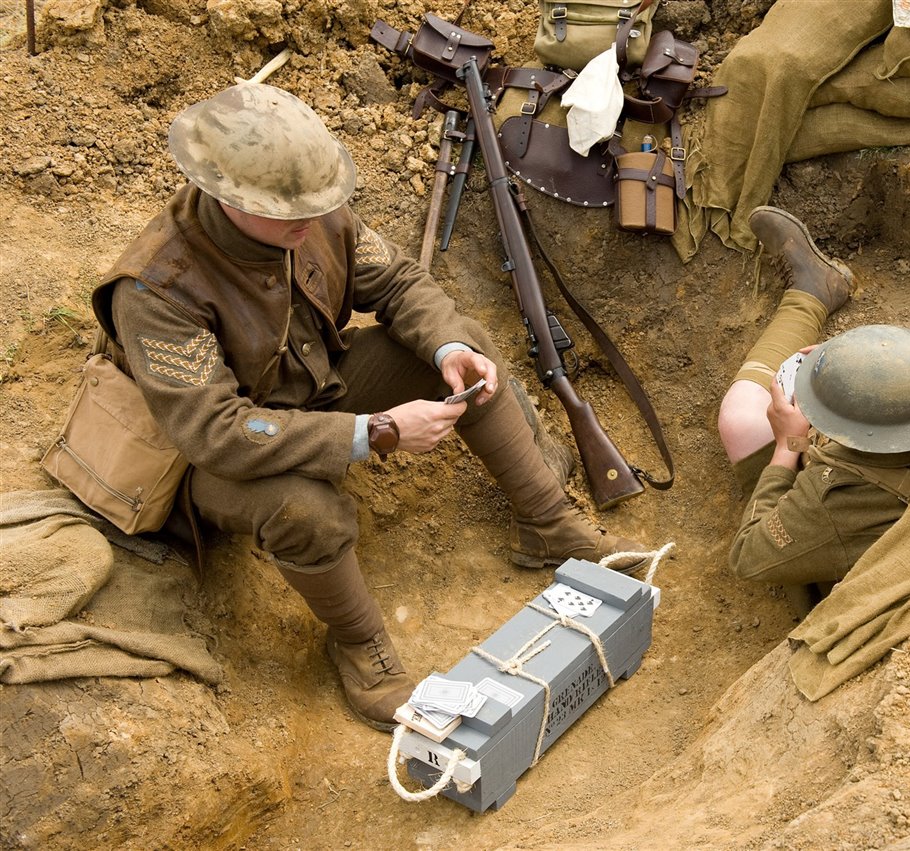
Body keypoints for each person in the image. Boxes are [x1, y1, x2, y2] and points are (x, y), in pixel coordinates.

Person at [89, 83, 648, 731]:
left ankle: (547, 523)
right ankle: (358, 645)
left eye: (317, 201)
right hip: (207, 456)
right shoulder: (156, 288)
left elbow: (399, 281)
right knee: (306, 510)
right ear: (227, 197)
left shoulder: (310, 213)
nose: (311, 219)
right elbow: (216, 433)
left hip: (307, 389)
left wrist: (446, 347)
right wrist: (374, 432)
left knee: (465, 350)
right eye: (289, 209)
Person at [717, 206, 910, 614]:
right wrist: (852, 363)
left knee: (740, 421)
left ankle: (809, 297)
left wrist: (789, 445)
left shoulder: (832, 504)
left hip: (880, 557)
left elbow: (748, 557)